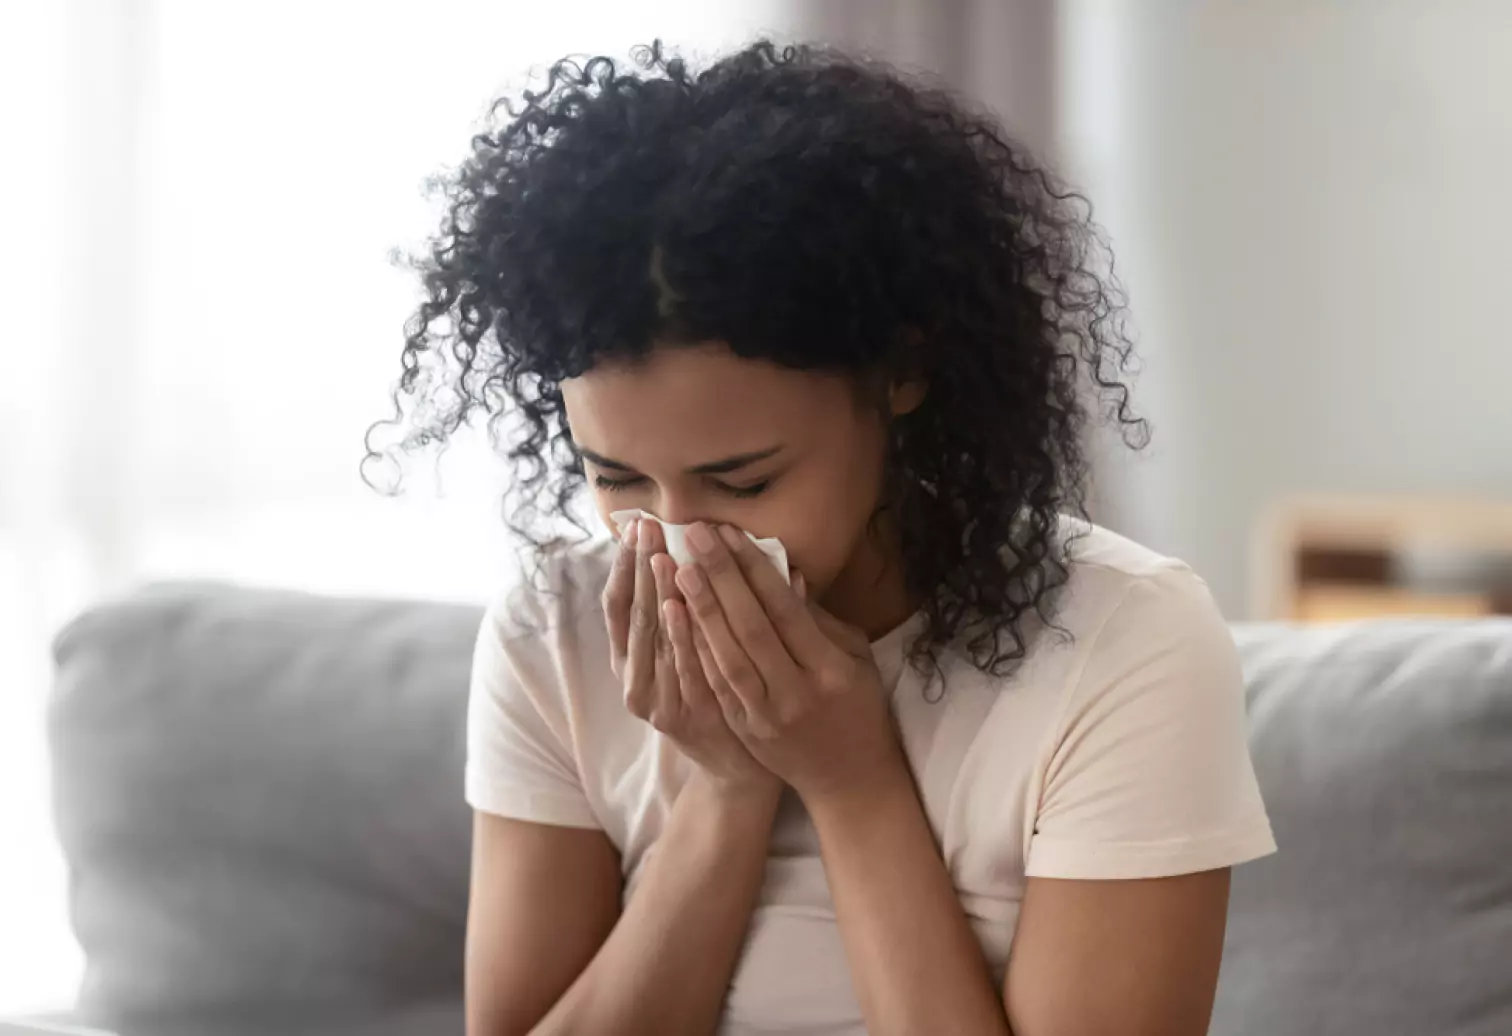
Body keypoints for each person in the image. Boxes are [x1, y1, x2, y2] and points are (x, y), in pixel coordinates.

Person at [376, 39, 1275, 1036]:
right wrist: (724, 793)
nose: (676, 540)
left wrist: (854, 784)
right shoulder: (554, 636)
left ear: (901, 374)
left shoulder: (1122, 642)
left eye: (743, 479)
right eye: (617, 477)